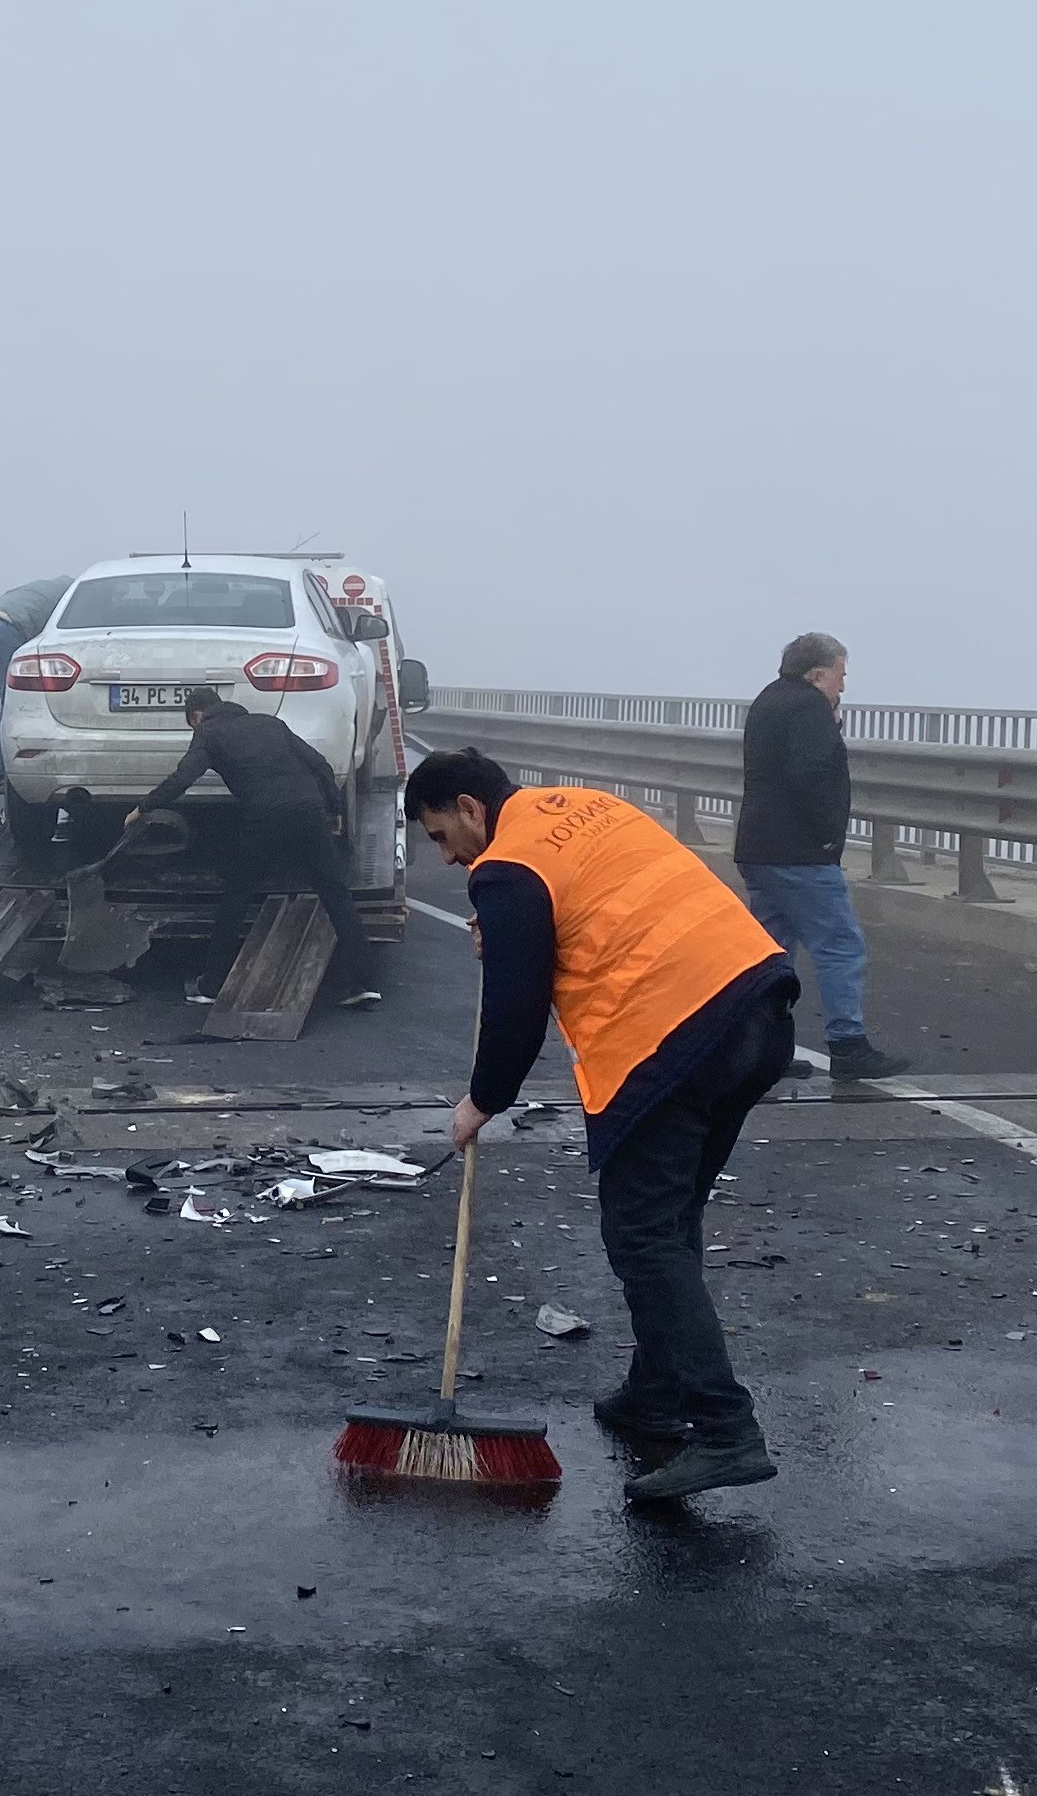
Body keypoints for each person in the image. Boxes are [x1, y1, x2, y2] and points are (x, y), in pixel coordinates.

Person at [414, 744, 799, 1501]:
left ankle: (726, 1431)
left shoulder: (506, 864)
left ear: (468, 808)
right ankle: (655, 1393)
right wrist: (517, 932)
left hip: (674, 1038)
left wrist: (480, 1102)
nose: (446, 859)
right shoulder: (586, 806)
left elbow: (518, 1012)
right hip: (758, 1007)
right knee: (672, 1217)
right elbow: (599, 908)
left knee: (643, 1235)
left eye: (438, 836)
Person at [110, 685, 381, 1014]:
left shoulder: (208, 732)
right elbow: (321, 764)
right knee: (336, 893)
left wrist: (142, 808)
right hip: (309, 809)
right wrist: (334, 810)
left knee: (237, 893)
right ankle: (366, 985)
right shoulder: (270, 723)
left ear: (197, 716)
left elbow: (183, 777)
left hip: (265, 816)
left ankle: (210, 985)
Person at [737, 632, 912, 1083]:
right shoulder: (808, 707)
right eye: (840, 674)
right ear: (817, 674)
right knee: (840, 944)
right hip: (799, 853)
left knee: (770, 953)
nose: (843, 685)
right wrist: (828, 840)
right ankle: (848, 1045)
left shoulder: (769, 700)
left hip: (760, 847)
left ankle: (760, 1051)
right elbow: (812, 777)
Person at [0, 575, 76, 794]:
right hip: (8, 628)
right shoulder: (73, 595)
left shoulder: (55, 585)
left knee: (8, 700)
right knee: (13, 702)